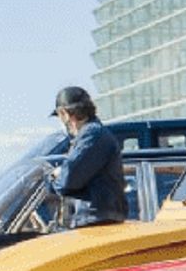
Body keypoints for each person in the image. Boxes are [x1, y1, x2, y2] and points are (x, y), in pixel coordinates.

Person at [48, 86, 127, 228]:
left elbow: (68, 181)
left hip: (96, 222)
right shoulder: (92, 134)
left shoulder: (91, 135)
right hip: (97, 220)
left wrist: (56, 176)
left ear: (64, 113)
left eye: (60, 117)